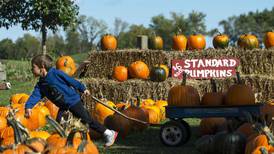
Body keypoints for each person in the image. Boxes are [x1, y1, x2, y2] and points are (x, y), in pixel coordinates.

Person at [24, 54, 118, 147]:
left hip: (73, 101)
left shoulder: (56, 73)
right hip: (64, 106)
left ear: (42, 67)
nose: (32, 70)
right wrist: (28, 106)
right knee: (60, 124)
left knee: (87, 120)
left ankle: (109, 133)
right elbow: (35, 95)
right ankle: (65, 144)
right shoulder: (41, 84)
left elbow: (70, 80)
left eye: (33, 67)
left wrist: (82, 88)